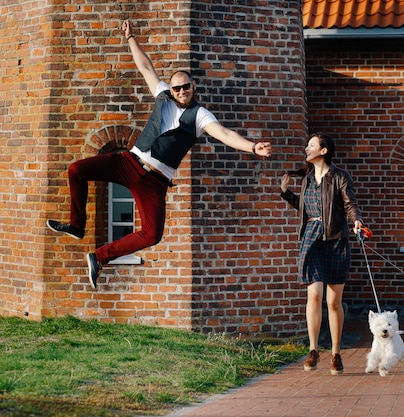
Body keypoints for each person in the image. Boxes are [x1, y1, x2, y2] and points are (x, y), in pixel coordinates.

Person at [47, 19, 271, 289]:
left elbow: (223, 134)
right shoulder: (162, 93)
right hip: (129, 162)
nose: (181, 91)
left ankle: (99, 257)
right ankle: (77, 225)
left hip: (155, 181)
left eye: (186, 87)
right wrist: (130, 38)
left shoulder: (199, 115)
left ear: (193, 86)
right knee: (76, 170)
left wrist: (252, 146)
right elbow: (145, 66)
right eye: (177, 88)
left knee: (152, 234)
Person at [280, 133, 364, 374]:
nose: (306, 148)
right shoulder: (307, 179)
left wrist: (356, 222)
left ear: (324, 150)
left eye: (312, 145)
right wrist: (286, 193)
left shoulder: (339, 177)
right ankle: (314, 349)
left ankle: (336, 353)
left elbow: (350, 204)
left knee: (333, 301)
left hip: (336, 240)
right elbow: (305, 208)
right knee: (314, 295)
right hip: (312, 239)